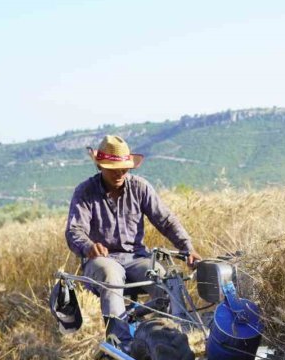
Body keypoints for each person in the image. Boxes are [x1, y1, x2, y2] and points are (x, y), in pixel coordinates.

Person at [65, 134, 201, 321]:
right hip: (102, 260)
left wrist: (187, 248)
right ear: (100, 166)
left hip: (136, 258)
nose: (119, 174)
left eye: (124, 169)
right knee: (110, 275)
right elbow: (74, 231)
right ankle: (119, 339)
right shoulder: (85, 192)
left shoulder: (140, 188)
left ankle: (178, 331)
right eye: (114, 169)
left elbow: (166, 221)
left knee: (166, 280)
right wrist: (89, 246)